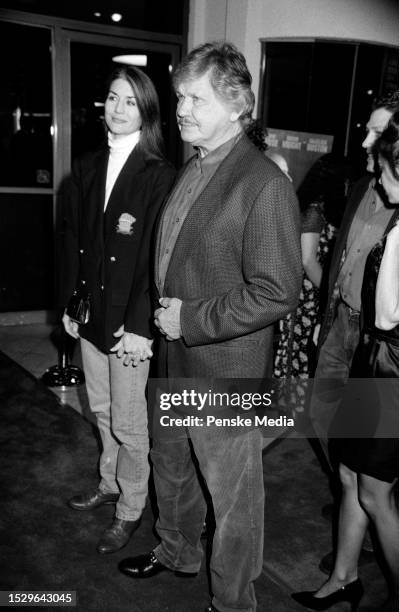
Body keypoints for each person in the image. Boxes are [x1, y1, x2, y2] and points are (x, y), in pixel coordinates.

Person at [118, 41, 302, 612]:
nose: (181, 109)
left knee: (235, 501)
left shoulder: (264, 184)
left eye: (195, 98)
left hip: (228, 373)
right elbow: (172, 254)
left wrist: (189, 320)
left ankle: (232, 601)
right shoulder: (195, 165)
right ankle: (177, 552)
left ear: (237, 102)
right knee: (170, 468)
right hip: (177, 359)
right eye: (179, 97)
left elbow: (278, 291)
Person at [60, 65, 175, 554]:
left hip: (130, 323)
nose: (118, 108)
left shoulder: (159, 175)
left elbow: (157, 258)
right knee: (102, 410)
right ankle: (109, 483)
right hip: (91, 315)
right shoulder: (86, 166)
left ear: (146, 111)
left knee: (130, 423)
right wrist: (71, 302)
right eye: (112, 98)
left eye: (129, 100)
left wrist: (140, 326)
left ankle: (131, 508)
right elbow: (73, 241)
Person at [292, 110, 399, 612]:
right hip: (349, 332)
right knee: (344, 457)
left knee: (373, 481)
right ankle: (345, 573)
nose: (365, 136)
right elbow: (340, 259)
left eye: (378, 130)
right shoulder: (362, 186)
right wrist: (328, 312)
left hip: (384, 352)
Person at [274, 154, 353, 410]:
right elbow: (308, 260)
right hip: (304, 296)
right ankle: (287, 409)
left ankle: (295, 409)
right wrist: (330, 294)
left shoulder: (322, 208)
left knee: (304, 354)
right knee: (294, 355)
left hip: (312, 295)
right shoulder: (314, 209)